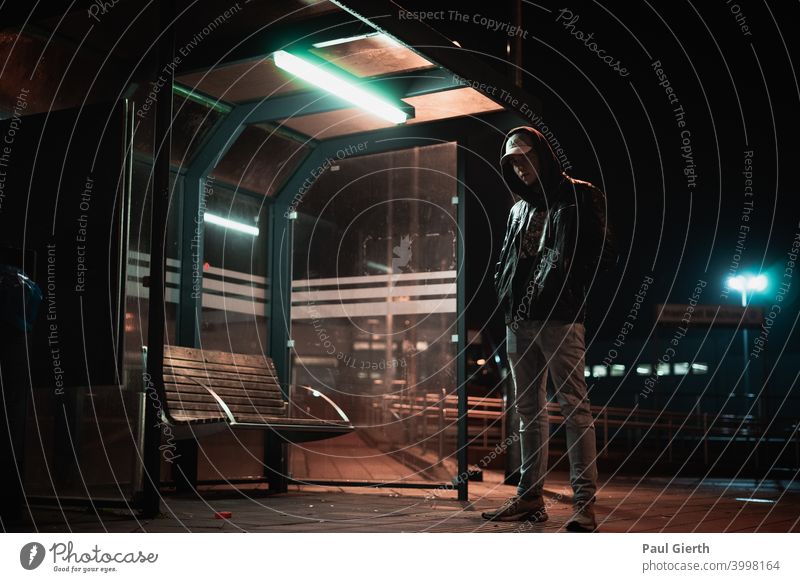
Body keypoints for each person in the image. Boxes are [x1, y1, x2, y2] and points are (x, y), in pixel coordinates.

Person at [481, 127, 618, 532]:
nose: (520, 168)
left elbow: (604, 252)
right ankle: (529, 499)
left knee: (575, 409)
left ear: (543, 155)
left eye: (525, 158)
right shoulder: (516, 210)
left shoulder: (579, 194)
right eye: (513, 163)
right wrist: (505, 296)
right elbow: (506, 260)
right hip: (518, 322)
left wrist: (568, 288)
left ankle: (584, 506)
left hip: (561, 319)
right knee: (528, 413)